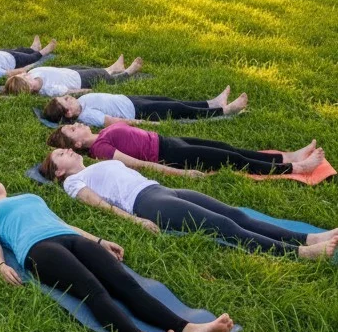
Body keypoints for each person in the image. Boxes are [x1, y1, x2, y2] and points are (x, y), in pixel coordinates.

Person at [0, 175, 235, 332]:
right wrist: (0, 264)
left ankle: (190, 330)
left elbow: (64, 224)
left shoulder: (31, 197)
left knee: (127, 284)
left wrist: (100, 240)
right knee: (93, 290)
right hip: (38, 249)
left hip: (69, 237)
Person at [38, 149, 338, 259]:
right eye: (59, 155)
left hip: (160, 189)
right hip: (147, 204)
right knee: (223, 226)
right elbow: (98, 203)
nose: (65, 151)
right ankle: (299, 253)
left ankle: (310, 237)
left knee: (234, 213)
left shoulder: (93, 165)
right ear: (59, 171)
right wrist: (135, 221)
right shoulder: (72, 182)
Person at [45, 121, 326, 177]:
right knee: (231, 159)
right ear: (78, 145)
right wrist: (173, 172)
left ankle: (287, 156)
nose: (76, 124)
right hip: (171, 155)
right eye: (72, 130)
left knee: (227, 147)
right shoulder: (102, 149)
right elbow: (135, 163)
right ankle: (294, 168)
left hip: (168, 141)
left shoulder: (104, 130)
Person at [43, 86, 248, 127]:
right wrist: (141, 123)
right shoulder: (87, 116)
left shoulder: (80, 104)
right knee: (179, 111)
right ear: (69, 112)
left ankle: (212, 103)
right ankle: (224, 111)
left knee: (170, 100)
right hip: (137, 111)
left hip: (129, 100)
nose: (69, 97)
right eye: (66, 100)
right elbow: (115, 121)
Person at [1, 56, 143, 97]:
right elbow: (70, 92)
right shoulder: (48, 89)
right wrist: (89, 91)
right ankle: (128, 72)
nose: (25, 74)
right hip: (79, 80)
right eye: (25, 77)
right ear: (30, 86)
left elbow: (18, 77)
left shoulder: (31, 75)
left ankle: (113, 68)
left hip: (69, 72)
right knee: (106, 78)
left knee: (98, 71)